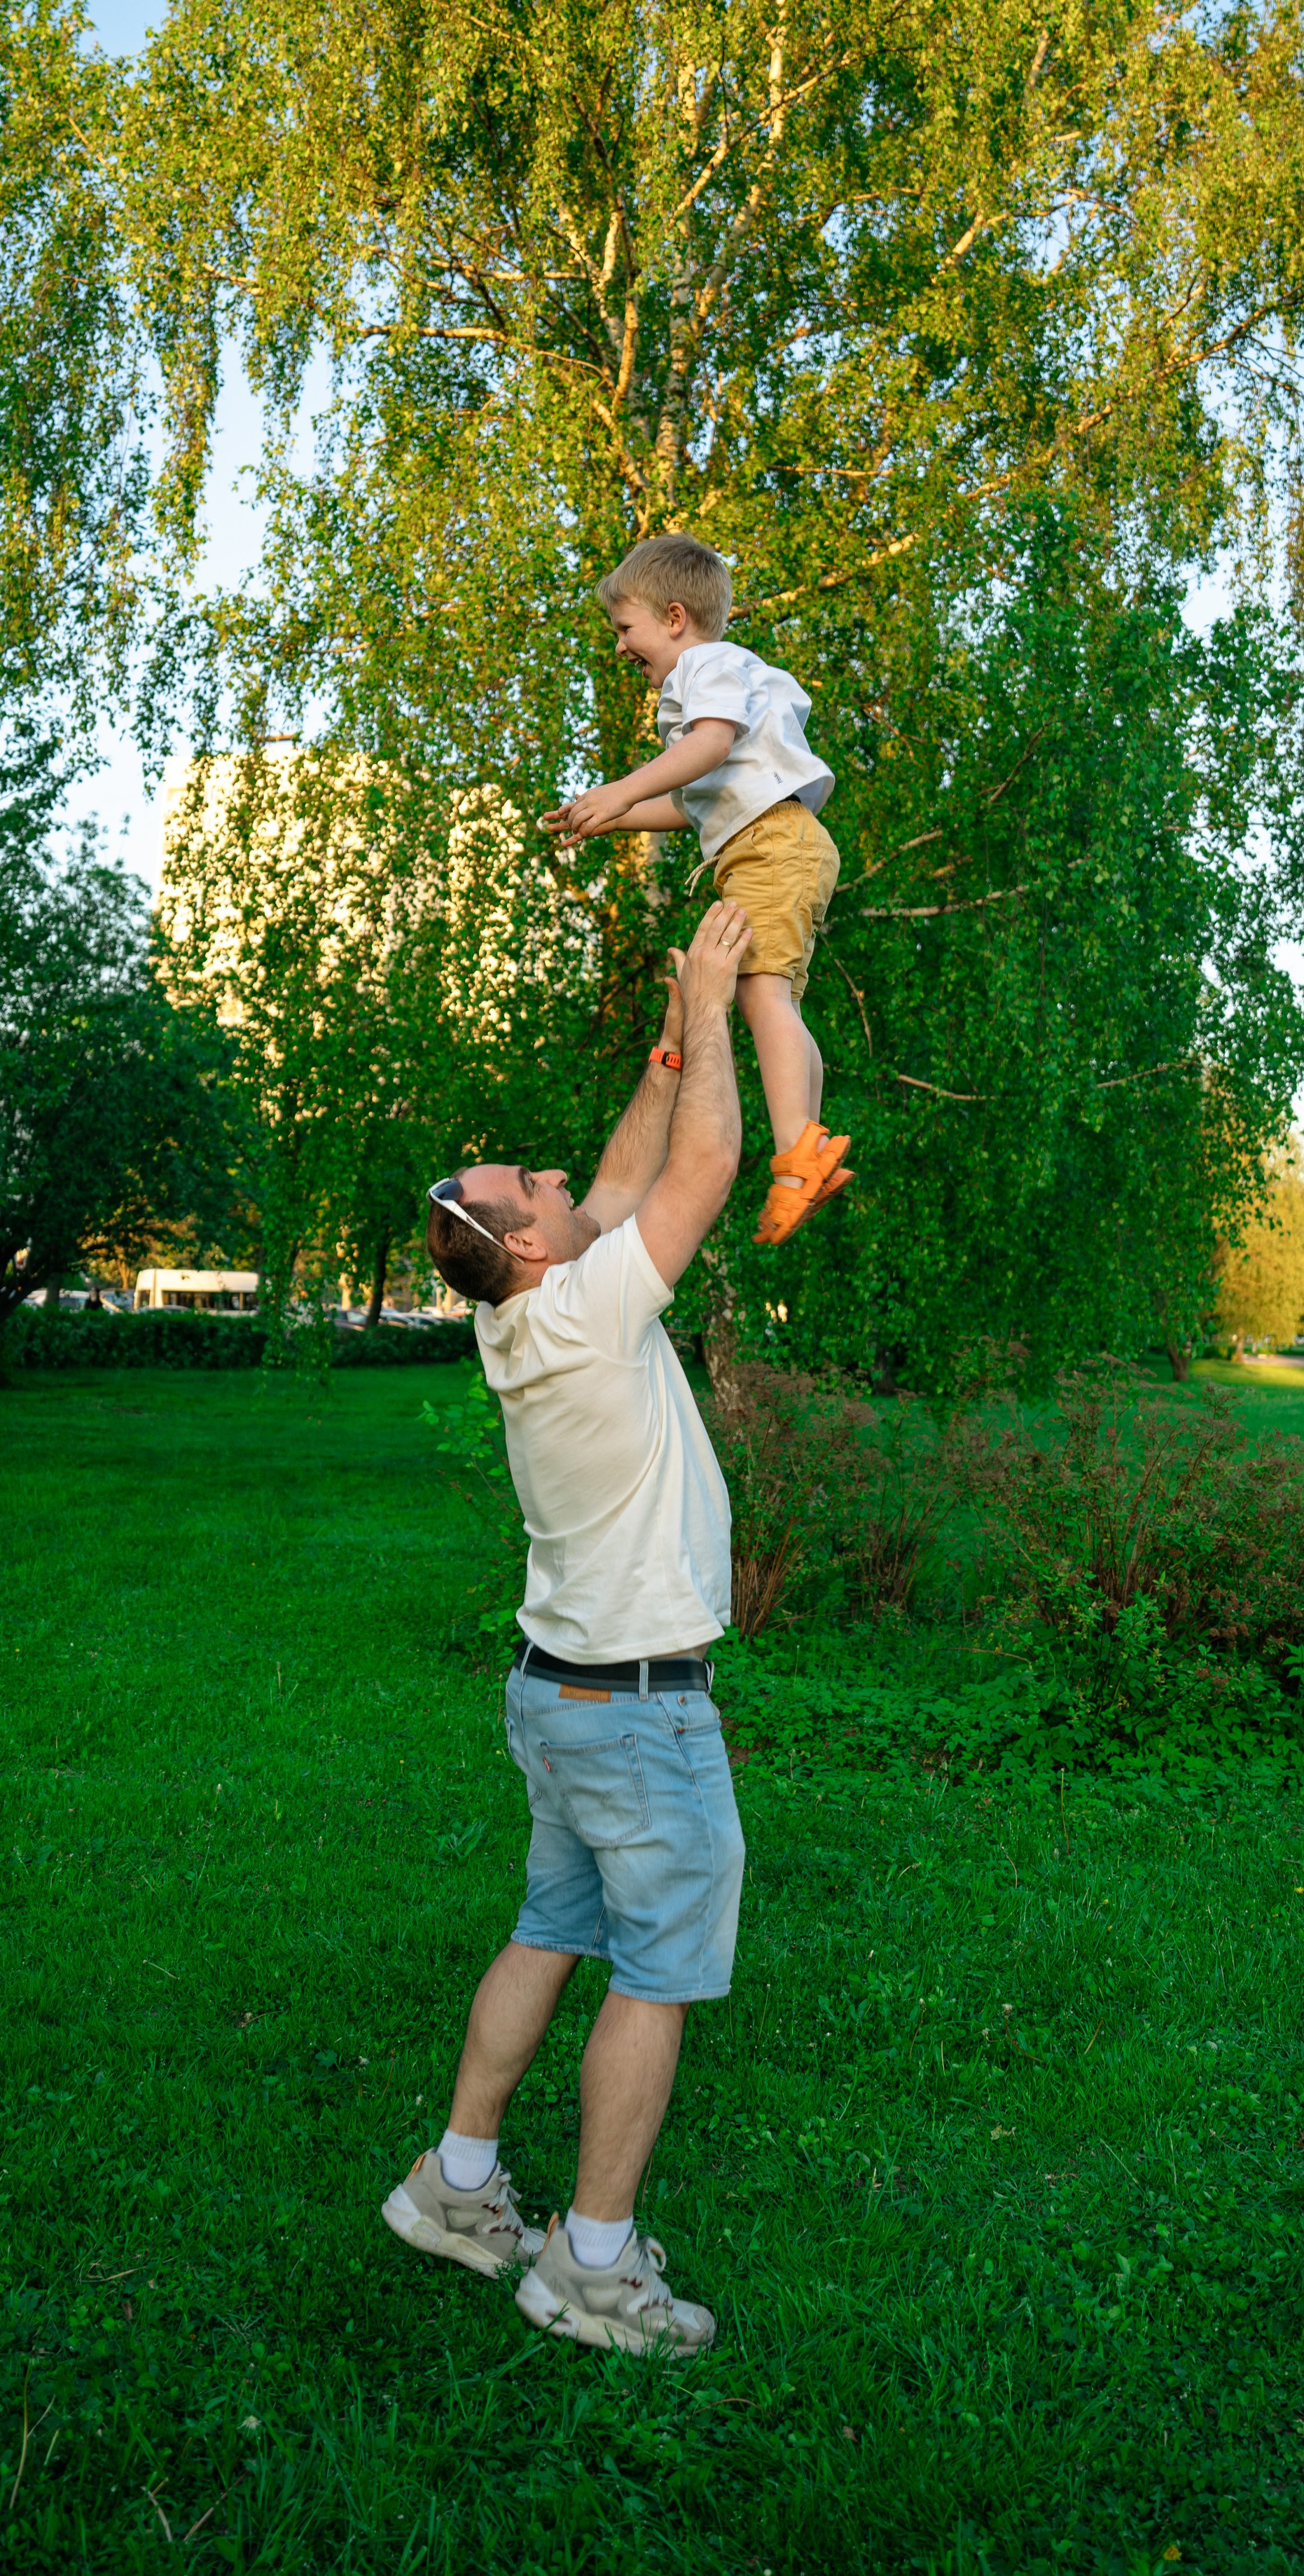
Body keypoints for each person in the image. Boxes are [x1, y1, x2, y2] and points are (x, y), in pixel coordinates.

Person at [381, 899, 755, 2357]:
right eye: (532, 1183)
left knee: (549, 1927)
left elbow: (616, 1178)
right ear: (529, 1245)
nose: (555, 1174)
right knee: (652, 1974)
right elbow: (703, 1168)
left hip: (558, 1696)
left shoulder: (518, 1308)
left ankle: (455, 2182)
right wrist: (712, 1008)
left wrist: (663, 1053)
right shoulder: (590, 1307)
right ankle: (590, 2269)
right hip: (638, 1712)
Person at [541, 530, 853, 1247]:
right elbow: (691, 802)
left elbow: (707, 744)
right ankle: (808, 1144)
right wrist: (610, 816)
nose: (620, 646)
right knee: (776, 999)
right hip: (775, 843)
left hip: (770, 843)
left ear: (674, 618)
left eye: (625, 628)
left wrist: (622, 787)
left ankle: (798, 1159)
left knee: (761, 995)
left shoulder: (706, 664)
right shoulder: (720, 678)